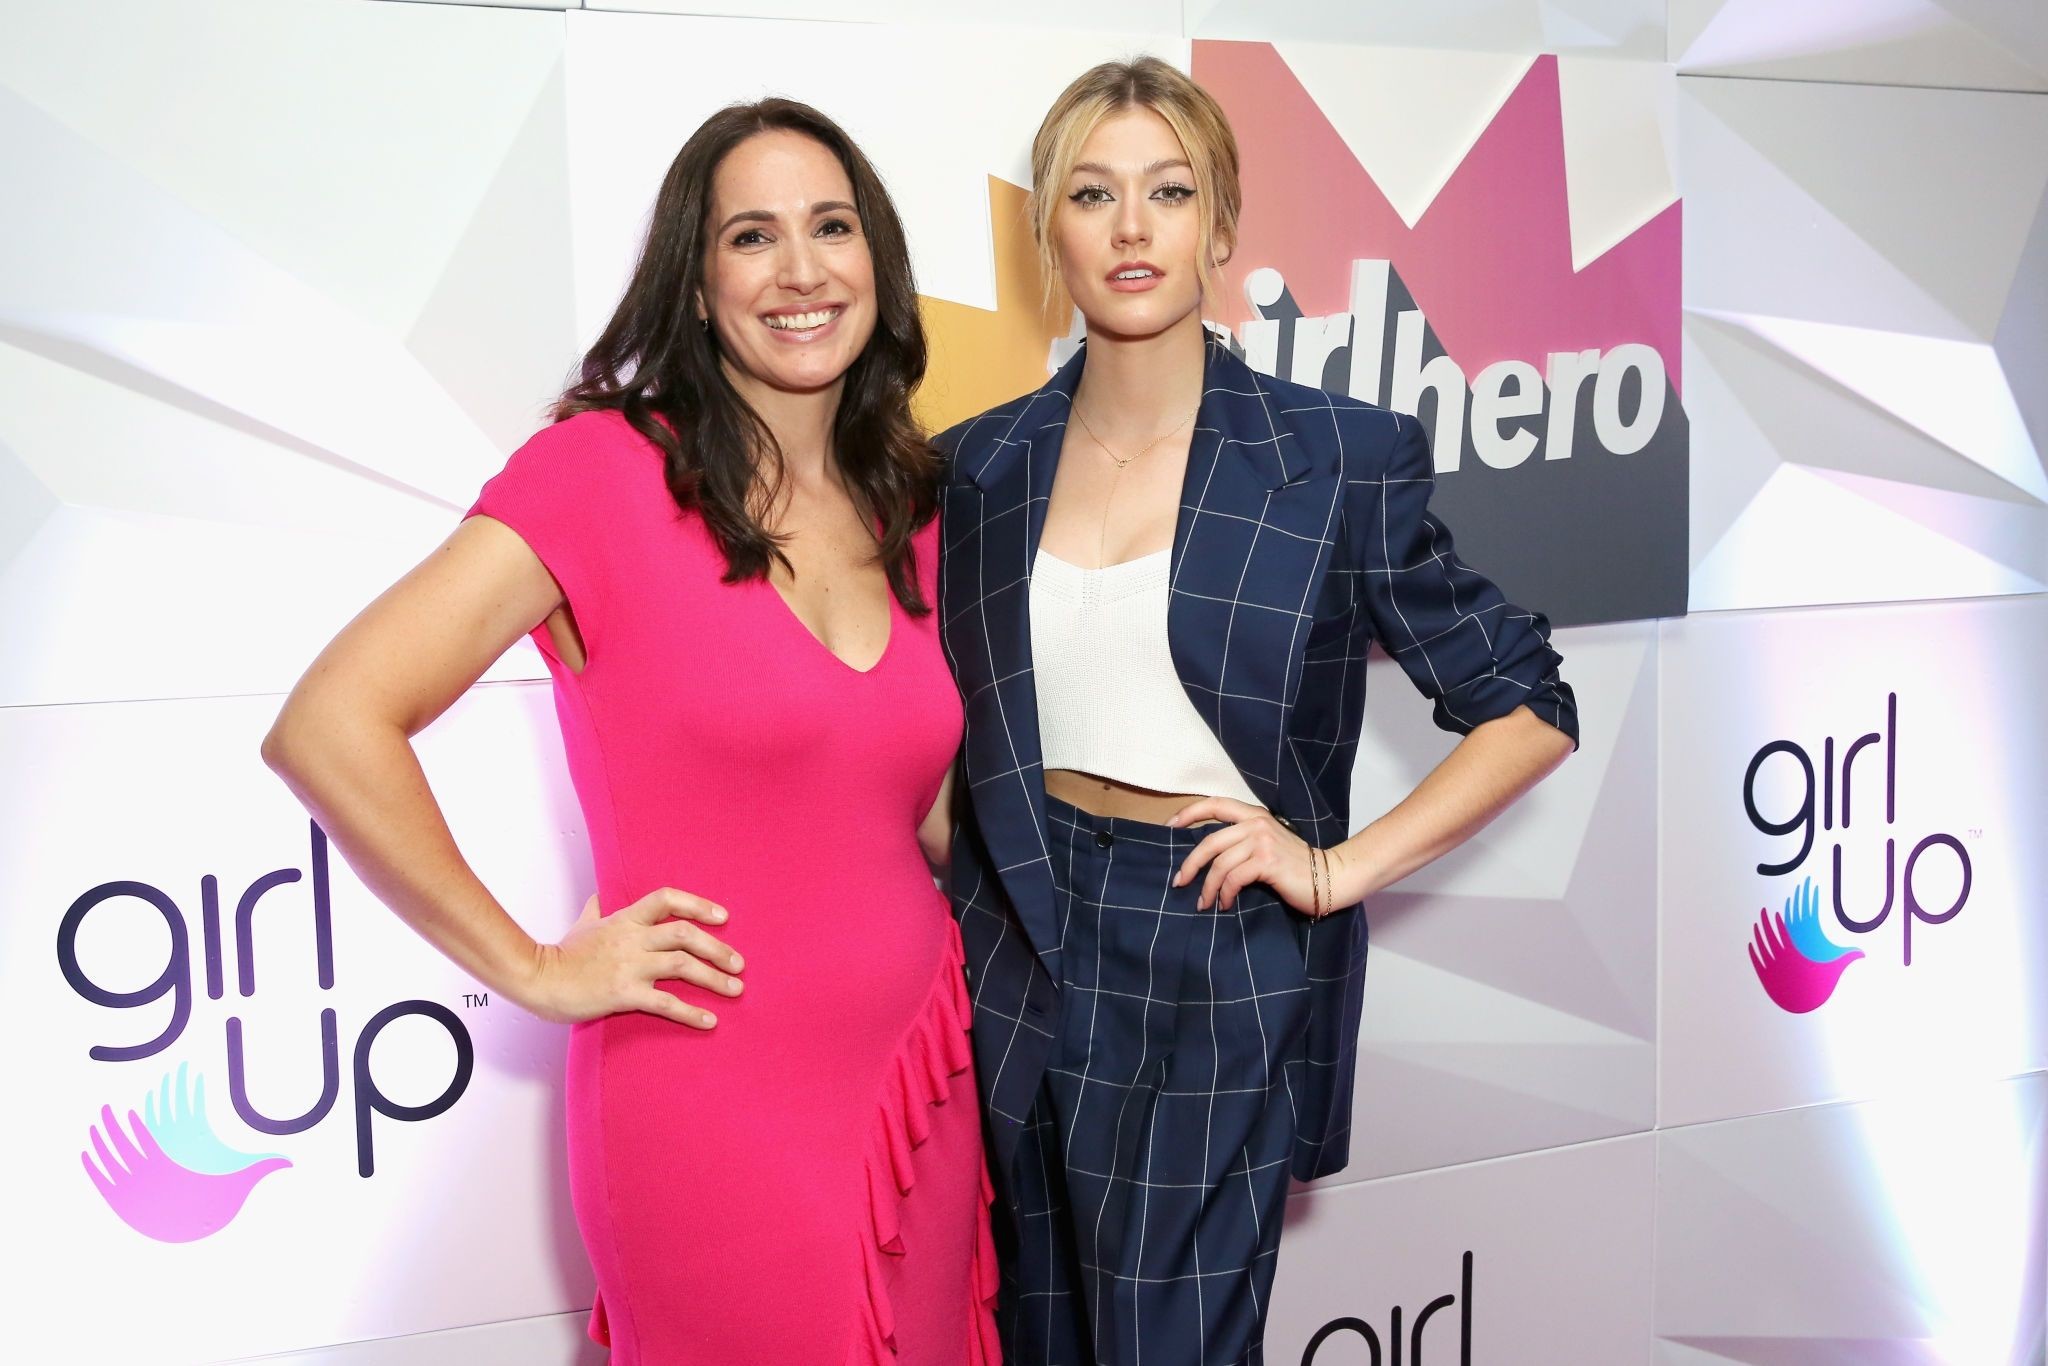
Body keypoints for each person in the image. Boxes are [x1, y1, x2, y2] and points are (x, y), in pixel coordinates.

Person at [262, 99, 997, 1365]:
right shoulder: (601, 473)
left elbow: (916, 817)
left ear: (877, 259)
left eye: (830, 227)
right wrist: (534, 968)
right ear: (695, 286)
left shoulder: (909, 501)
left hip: (924, 1078)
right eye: (751, 237)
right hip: (707, 1093)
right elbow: (330, 721)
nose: (801, 269)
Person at [935, 58, 1580, 1363]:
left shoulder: (1337, 456)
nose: (1131, 227)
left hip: (1211, 944)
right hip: (1012, 939)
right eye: (1092, 194)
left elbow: (1528, 704)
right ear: (1048, 231)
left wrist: (1336, 868)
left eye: (1169, 192)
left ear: (1220, 224)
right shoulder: (974, 462)